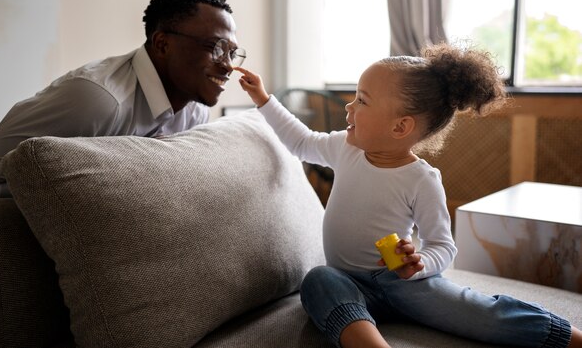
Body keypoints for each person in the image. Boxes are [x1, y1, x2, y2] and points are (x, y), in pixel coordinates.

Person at [236, 43, 582, 348]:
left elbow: (443, 246)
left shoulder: (421, 179)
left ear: (400, 127)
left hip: (405, 284)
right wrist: (264, 100)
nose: (349, 107)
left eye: (362, 100)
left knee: (477, 310)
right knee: (318, 280)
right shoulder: (345, 148)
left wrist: (419, 265)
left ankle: (564, 336)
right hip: (347, 281)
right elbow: (300, 141)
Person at [0, 0, 246, 198]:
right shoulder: (96, 101)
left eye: (232, 53)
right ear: (162, 44)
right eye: (216, 48)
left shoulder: (196, 110)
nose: (228, 66)